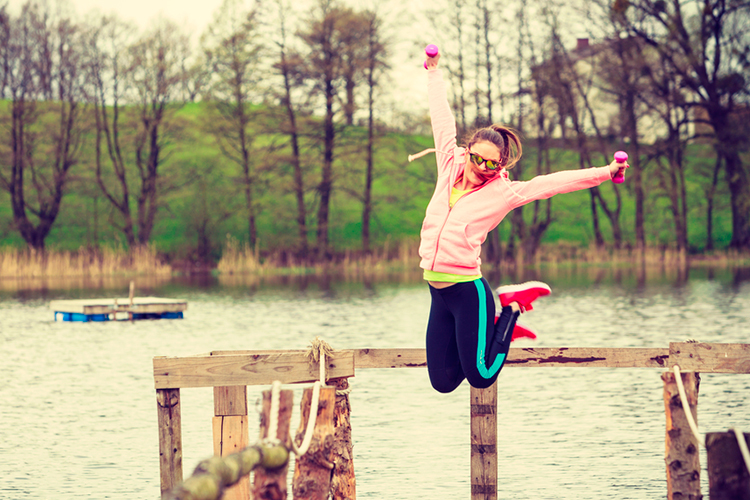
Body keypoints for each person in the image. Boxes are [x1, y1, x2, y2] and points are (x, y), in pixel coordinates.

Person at [417, 50, 629, 394]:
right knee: (442, 382)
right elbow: (441, 118)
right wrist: (433, 72)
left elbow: (552, 184)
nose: (481, 168)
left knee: (482, 375)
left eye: (490, 164)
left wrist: (605, 173)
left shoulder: (503, 193)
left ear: (499, 165)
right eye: (476, 159)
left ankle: (510, 310)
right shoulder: (448, 165)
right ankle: (500, 333)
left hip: (468, 291)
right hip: (436, 291)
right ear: (467, 150)